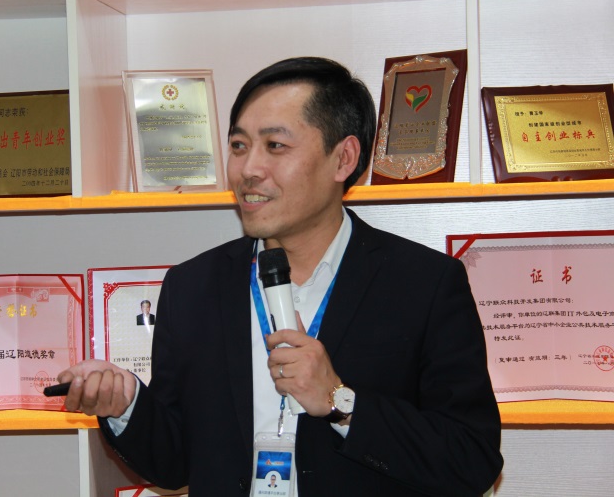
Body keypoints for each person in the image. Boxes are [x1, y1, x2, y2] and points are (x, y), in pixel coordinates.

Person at [57, 57, 503, 496]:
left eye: (275, 146)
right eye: (239, 146)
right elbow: (173, 464)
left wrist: (341, 402)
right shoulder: (191, 287)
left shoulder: (425, 284)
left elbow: (472, 460)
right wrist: (126, 405)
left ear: (343, 158)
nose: (249, 169)